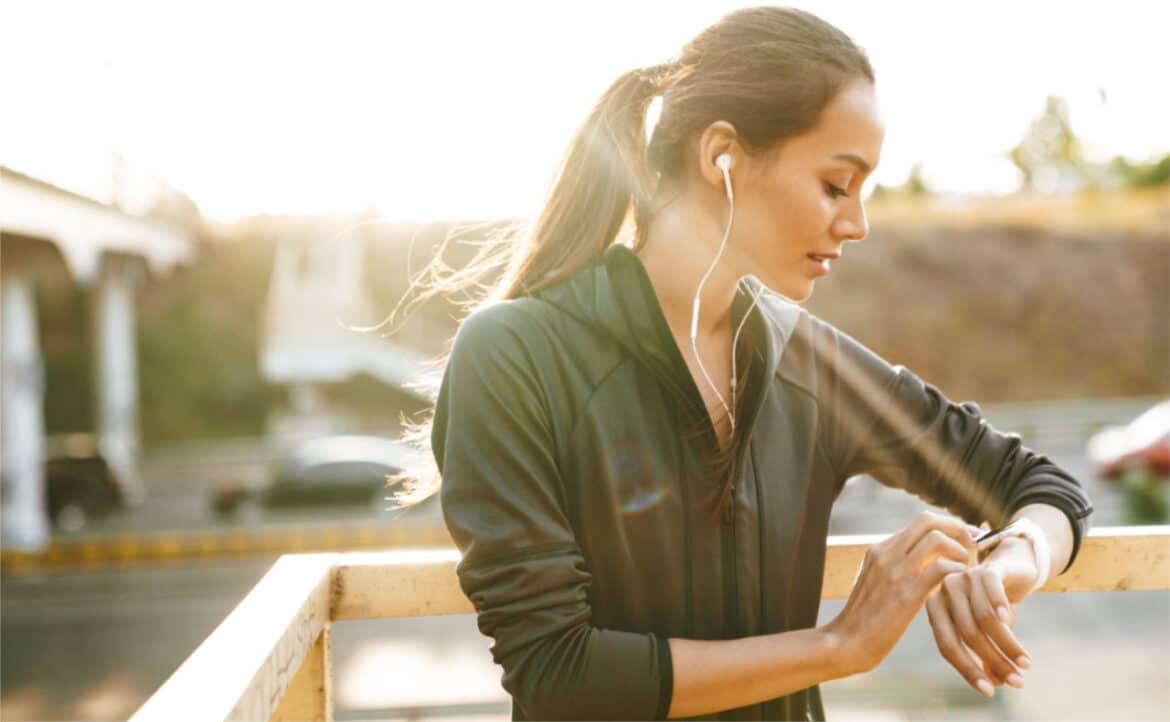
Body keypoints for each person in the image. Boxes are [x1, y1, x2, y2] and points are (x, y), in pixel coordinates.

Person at [385, 6, 1095, 720]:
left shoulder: (811, 361)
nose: (857, 223)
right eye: (836, 184)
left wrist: (1010, 562)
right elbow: (559, 675)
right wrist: (841, 644)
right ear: (721, 154)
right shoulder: (513, 355)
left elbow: (1039, 485)